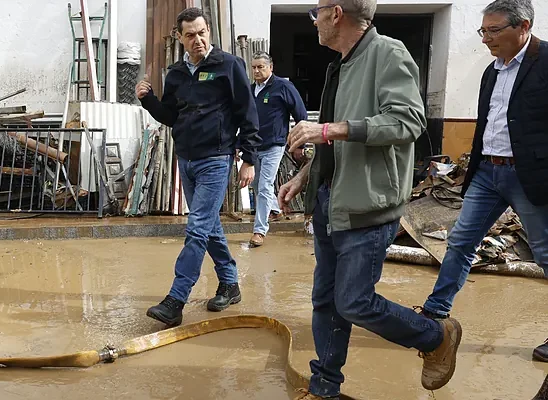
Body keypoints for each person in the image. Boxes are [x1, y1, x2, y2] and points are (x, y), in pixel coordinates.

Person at [277, 0, 462, 398]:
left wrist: (328, 130)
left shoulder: (388, 53)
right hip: (332, 200)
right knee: (326, 300)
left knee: (355, 302)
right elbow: (335, 140)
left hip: (369, 205)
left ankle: (435, 336)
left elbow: (408, 120)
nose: (315, 21)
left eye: (317, 12)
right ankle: (323, 386)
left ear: (337, 14)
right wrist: (307, 178)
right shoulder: (340, 65)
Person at [417, 0, 548, 364]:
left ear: (523, 27)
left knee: (545, 253)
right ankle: (435, 311)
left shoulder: (546, 61)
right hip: (488, 174)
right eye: (483, 31)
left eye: (494, 31)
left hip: (529, 176)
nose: (486, 39)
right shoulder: (492, 70)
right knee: (460, 242)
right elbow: (488, 121)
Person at [136, 7, 262, 327]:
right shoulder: (176, 74)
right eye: (190, 35)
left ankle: (176, 299)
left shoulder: (229, 66)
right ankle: (230, 284)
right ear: (180, 38)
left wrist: (249, 159)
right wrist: (148, 100)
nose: (198, 40)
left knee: (196, 227)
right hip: (186, 159)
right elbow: (170, 115)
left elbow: (248, 113)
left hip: (216, 159)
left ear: (210, 32)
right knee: (209, 227)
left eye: (202, 33)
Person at [248, 51, 308, 248]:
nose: (257, 71)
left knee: (264, 185)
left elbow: (301, 115)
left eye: (261, 67)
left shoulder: (283, 87)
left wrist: (299, 144)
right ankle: (273, 209)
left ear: (271, 67)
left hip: (274, 145)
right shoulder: (250, 90)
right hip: (254, 146)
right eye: (254, 67)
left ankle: (259, 230)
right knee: (257, 185)